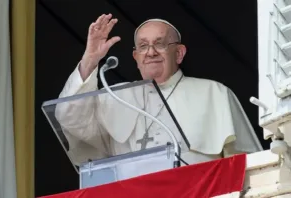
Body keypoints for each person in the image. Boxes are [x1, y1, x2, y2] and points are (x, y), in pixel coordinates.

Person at [54, 13, 263, 166]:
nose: (151, 52)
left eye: (160, 44)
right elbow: (69, 119)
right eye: (143, 46)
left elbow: (248, 164)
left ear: (179, 54)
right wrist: (90, 60)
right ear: (136, 58)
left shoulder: (214, 93)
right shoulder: (115, 96)